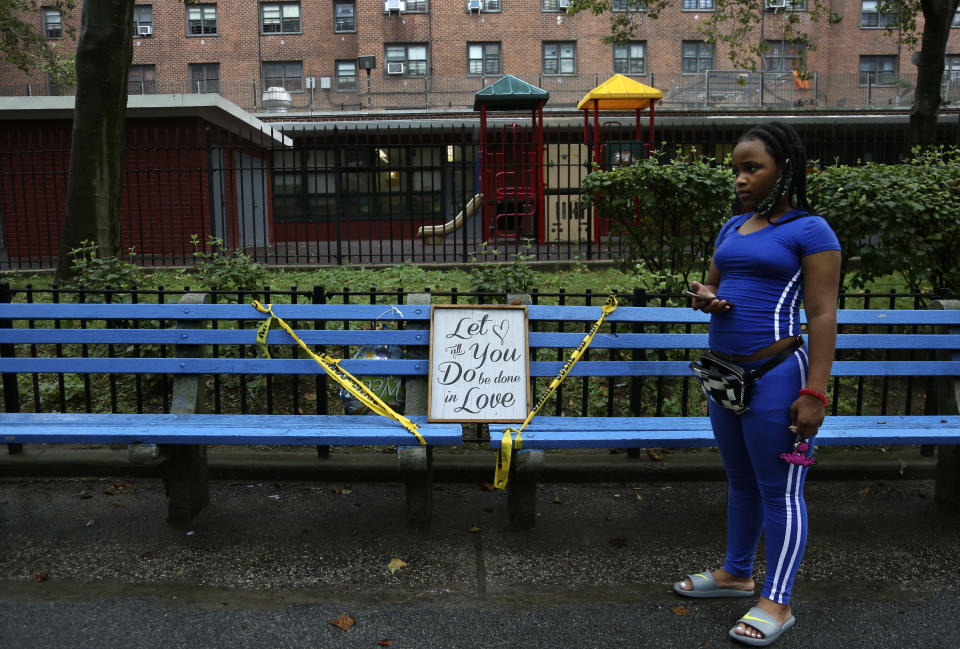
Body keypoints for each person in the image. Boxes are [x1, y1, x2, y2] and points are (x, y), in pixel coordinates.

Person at [674, 122, 841, 647]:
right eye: (736, 170)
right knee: (740, 481)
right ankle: (735, 574)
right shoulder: (732, 227)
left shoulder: (812, 231)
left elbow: (821, 312)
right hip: (724, 377)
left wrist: (814, 391)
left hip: (775, 376)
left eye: (752, 168)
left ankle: (778, 600)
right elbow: (715, 285)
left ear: (783, 169)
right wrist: (704, 296)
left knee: (781, 491)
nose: (741, 179)